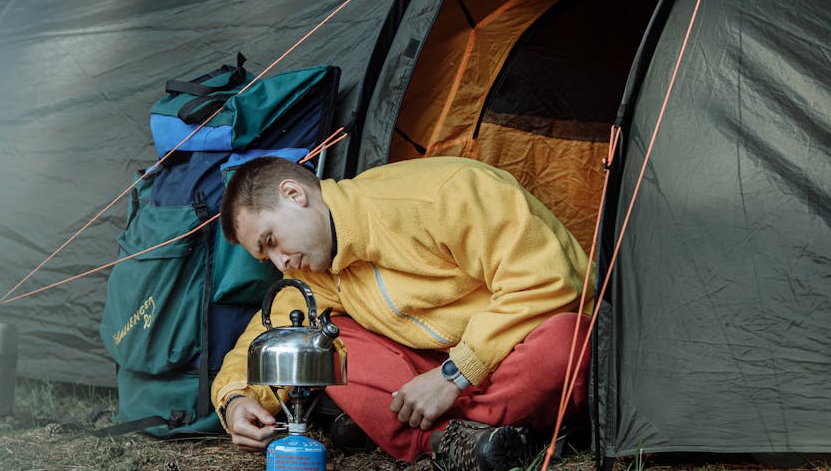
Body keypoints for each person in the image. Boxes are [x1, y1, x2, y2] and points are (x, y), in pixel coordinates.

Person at [211, 156, 593, 470]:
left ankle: (423, 435)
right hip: (428, 376)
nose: (280, 262)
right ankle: (462, 440)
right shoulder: (310, 271)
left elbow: (548, 282)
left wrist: (453, 376)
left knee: (571, 339)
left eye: (272, 241)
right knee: (326, 340)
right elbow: (269, 333)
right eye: (267, 257)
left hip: (509, 356)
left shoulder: (444, 192)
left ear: (294, 195)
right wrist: (234, 399)